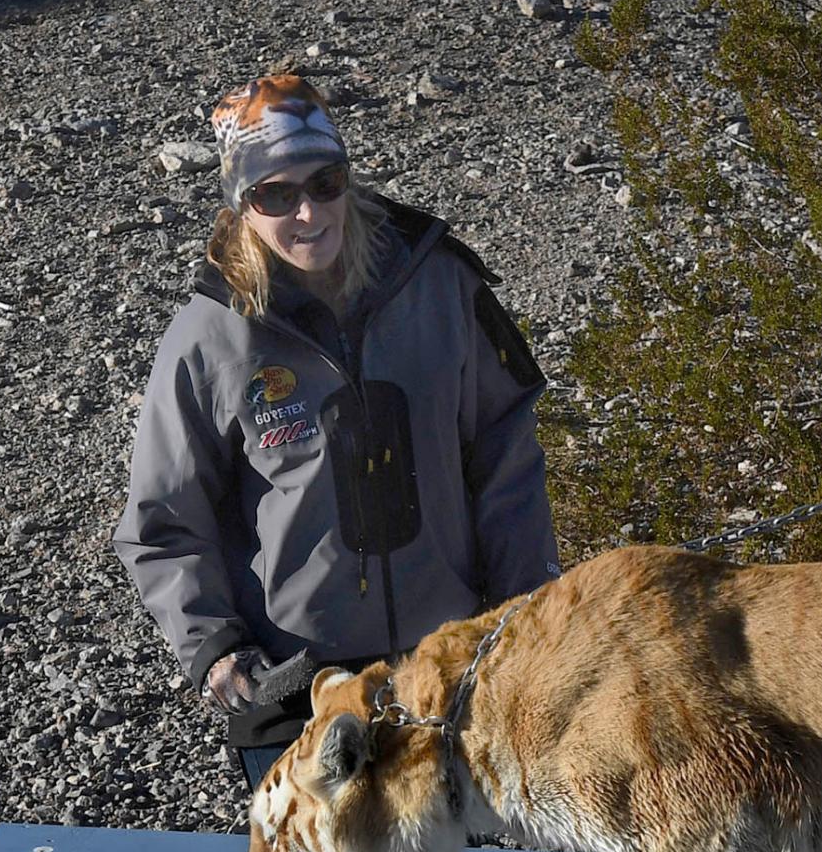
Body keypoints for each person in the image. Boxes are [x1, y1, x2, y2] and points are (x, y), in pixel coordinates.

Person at [113, 71, 558, 788]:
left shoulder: (437, 284)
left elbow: (507, 459)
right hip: (297, 695)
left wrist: (523, 615)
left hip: (444, 676)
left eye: (325, 182)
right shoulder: (210, 336)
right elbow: (162, 522)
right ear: (240, 205)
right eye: (275, 194)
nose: (308, 212)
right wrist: (217, 647)